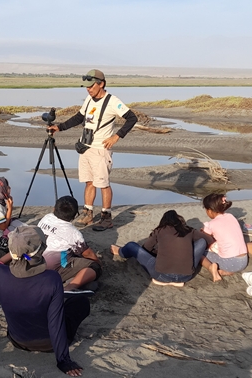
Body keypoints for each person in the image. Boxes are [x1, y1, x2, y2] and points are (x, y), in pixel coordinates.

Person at [0, 226, 88, 376]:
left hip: (17, 340)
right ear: (41, 249)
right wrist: (63, 360)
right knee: (80, 303)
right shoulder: (52, 279)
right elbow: (55, 323)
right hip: (49, 344)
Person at [47, 69, 139, 231]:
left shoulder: (112, 101)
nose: (88, 89)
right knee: (89, 182)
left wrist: (116, 137)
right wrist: (59, 127)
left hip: (101, 150)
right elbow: (78, 117)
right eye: (86, 86)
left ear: (101, 84)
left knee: (103, 183)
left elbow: (132, 118)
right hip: (86, 148)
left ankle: (106, 217)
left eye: (91, 86)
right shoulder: (89, 100)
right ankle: (88, 213)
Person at [111, 210, 213, 287]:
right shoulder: (189, 230)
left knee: (132, 245)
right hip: (186, 276)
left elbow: (146, 248)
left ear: (163, 221)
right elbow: (208, 239)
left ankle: (119, 251)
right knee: (202, 242)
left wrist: (159, 251)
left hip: (161, 275)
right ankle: (177, 280)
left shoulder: (160, 230)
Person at [37, 196, 103, 292]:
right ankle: (69, 287)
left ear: (54, 208)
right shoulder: (72, 232)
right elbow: (87, 253)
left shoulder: (46, 218)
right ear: (75, 215)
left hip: (34, 259)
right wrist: (98, 263)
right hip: (49, 266)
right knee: (94, 267)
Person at [200, 193, 249, 282]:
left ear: (210, 211)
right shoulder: (231, 216)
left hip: (231, 262)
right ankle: (226, 272)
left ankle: (211, 268)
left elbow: (205, 239)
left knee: (200, 252)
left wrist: (203, 231)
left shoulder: (211, 224)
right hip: (244, 261)